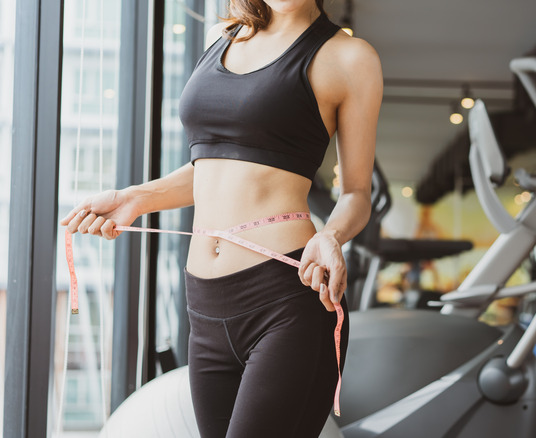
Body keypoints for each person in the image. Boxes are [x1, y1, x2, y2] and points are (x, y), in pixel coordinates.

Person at [60, 0, 383, 436]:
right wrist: (135, 198)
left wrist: (331, 235)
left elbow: (357, 194)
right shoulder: (222, 38)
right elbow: (213, 167)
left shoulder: (348, 57)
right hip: (205, 306)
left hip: (287, 300)